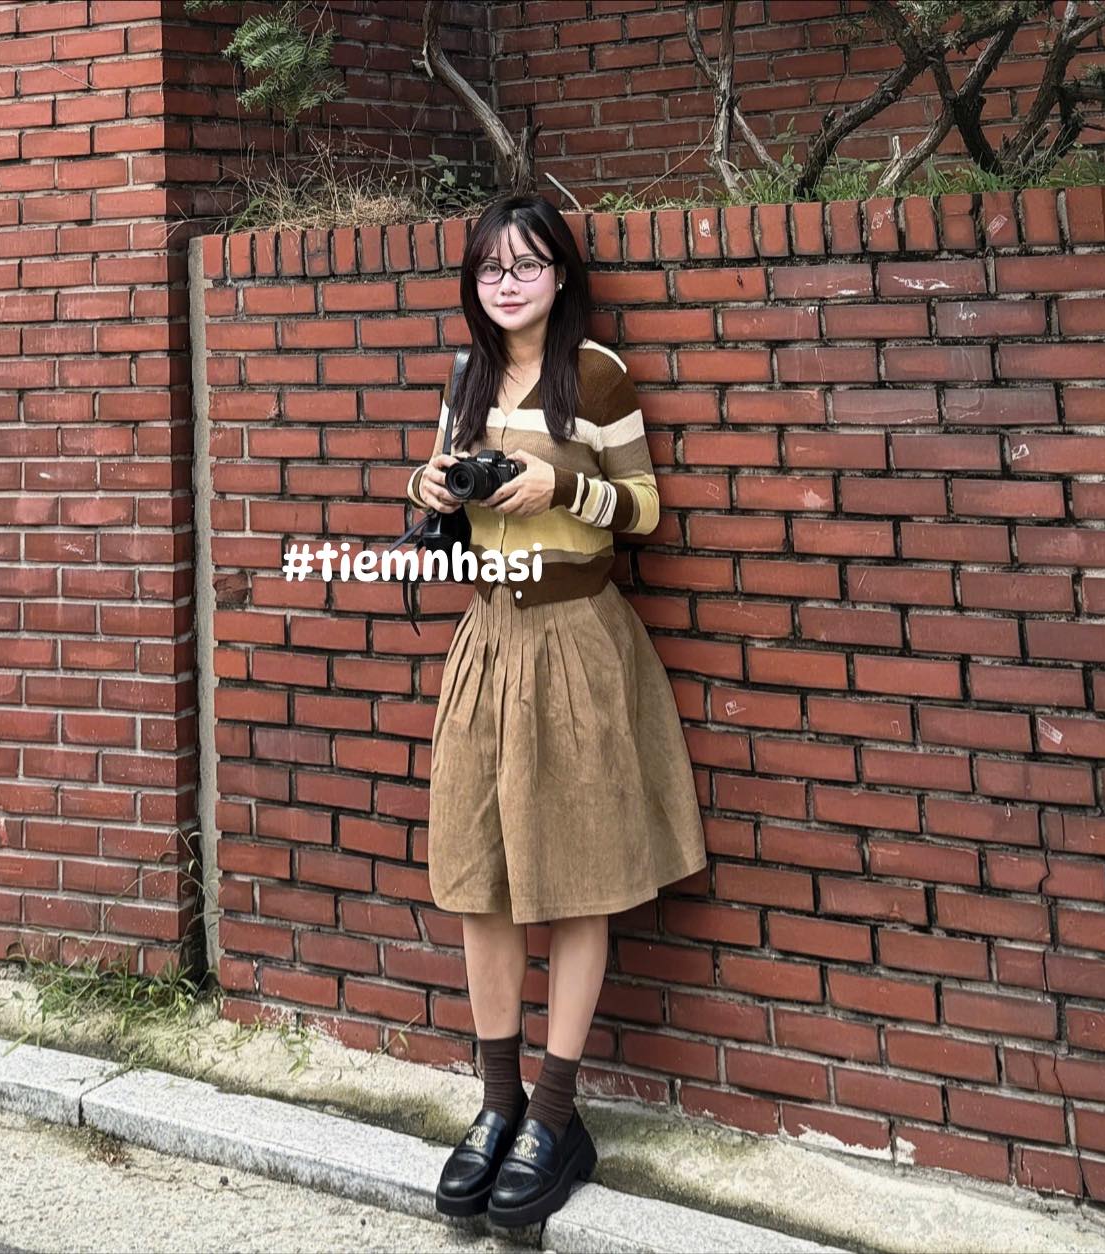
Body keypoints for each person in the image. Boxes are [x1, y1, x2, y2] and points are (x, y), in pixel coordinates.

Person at [405, 193, 708, 1229]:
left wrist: (563, 491)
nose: (507, 284)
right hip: (487, 638)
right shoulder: (466, 376)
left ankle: (554, 1115)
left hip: (577, 636)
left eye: (527, 265)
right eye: (491, 268)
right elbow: (446, 502)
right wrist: (434, 489)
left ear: (561, 275)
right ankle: (496, 1107)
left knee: (578, 877)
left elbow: (646, 507)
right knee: (478, 878)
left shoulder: (598, 375)